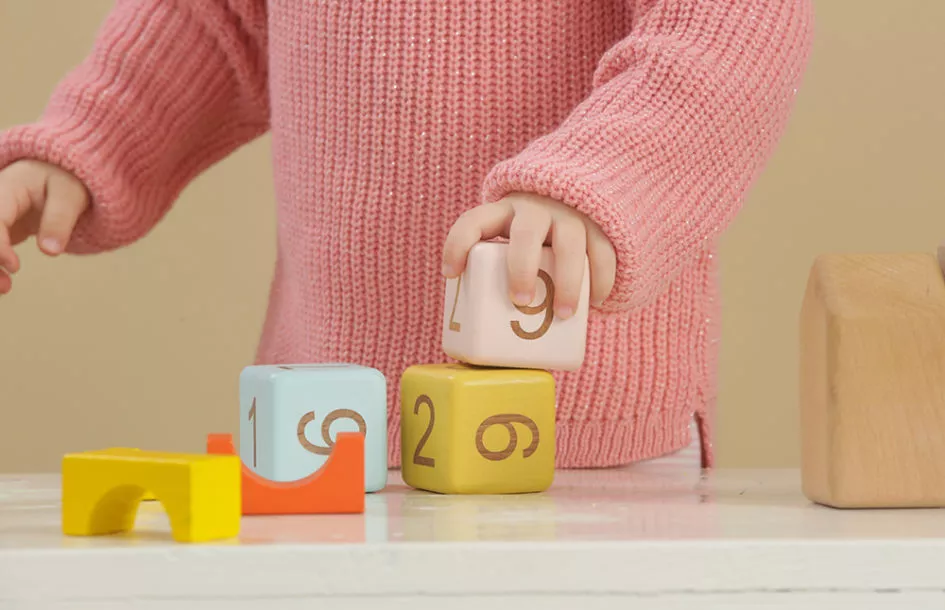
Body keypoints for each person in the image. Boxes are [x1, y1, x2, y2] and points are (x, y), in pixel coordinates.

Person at [0, 1, 814, 469]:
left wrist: (600, 181)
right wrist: (89, 140)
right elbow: (217, 23)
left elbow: (724, 38)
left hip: (580, 435)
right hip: (320, 429)